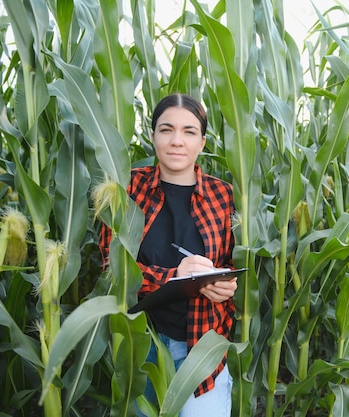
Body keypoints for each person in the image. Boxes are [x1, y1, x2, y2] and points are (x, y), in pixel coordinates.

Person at [99, 93, 237, 416]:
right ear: (152, 136)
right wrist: (174, 276)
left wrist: (226, 285)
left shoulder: (224, 196)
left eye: (189, 131)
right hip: (139, 349)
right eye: (166, 129)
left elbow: (231, 262)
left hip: (203, 352)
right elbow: (112, 269)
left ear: (202, 142)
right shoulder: (126, 190)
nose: (177, 141)